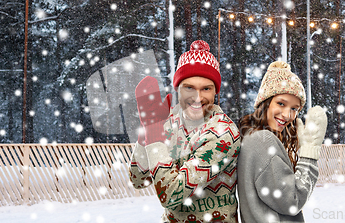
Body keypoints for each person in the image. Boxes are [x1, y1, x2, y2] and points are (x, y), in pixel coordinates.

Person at [129, 40, 241, 223]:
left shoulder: (224, 133)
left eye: (206, 88)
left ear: (215, 92)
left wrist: (154, 134)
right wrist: (147, 132)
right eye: (189, 87)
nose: (197, 98)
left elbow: (172, 195)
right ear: (178, 88)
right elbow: (138, 179)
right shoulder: (167, 120)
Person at [237, 61, 327, 223]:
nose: (287, 115)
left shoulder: (251, 136)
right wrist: (309, 155)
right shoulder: (263, 141)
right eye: (281, 103)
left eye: (295, 108)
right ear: (265, 102)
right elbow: (291, 201)